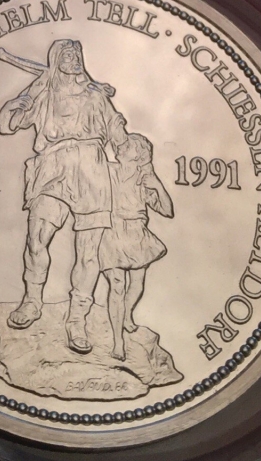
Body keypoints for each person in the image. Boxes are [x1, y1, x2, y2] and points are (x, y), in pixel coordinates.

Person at [0, 39, 128, 354]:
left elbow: (119, 136)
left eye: (77, 54)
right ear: (56, 60)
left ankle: (77, 320)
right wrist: (23, 99)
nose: (73, 59)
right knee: (36, 239)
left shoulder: (96, 96)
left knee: (89, 253)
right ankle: (32, 301)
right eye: (66, 55)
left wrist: (133, 170)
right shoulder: (44, 93)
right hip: (52, 166)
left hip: (92, 170)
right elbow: (7, 126)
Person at [98, 133, 174, 361]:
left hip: (137, 234)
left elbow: (167, 210)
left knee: (137, 284)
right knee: (117, 285)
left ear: (139, 154)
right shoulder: (107, 171)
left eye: (128, 145)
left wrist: (158, 186)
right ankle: (118, 342)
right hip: (112, 232)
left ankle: (126, 314)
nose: (121, 146)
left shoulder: (145, 179)